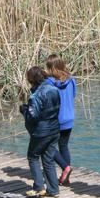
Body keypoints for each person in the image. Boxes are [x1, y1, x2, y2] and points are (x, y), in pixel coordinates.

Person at [19, 66, 60, 198]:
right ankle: (53, 189)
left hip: (42, 131)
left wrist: (24, 110)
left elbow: (33, 117)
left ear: (32, 80)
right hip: (54, 129)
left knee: (33, 156)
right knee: (48, 159)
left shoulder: (35, 96)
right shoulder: (54, 89)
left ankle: (38, 187)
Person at [45, 55, 76, 186]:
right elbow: (74, 95)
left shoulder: (48, 82)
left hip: (56, 119)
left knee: (49, 145)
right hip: (69, 117)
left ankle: (65, 168)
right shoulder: (71, 79)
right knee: (64, 146)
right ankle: (66, 177)